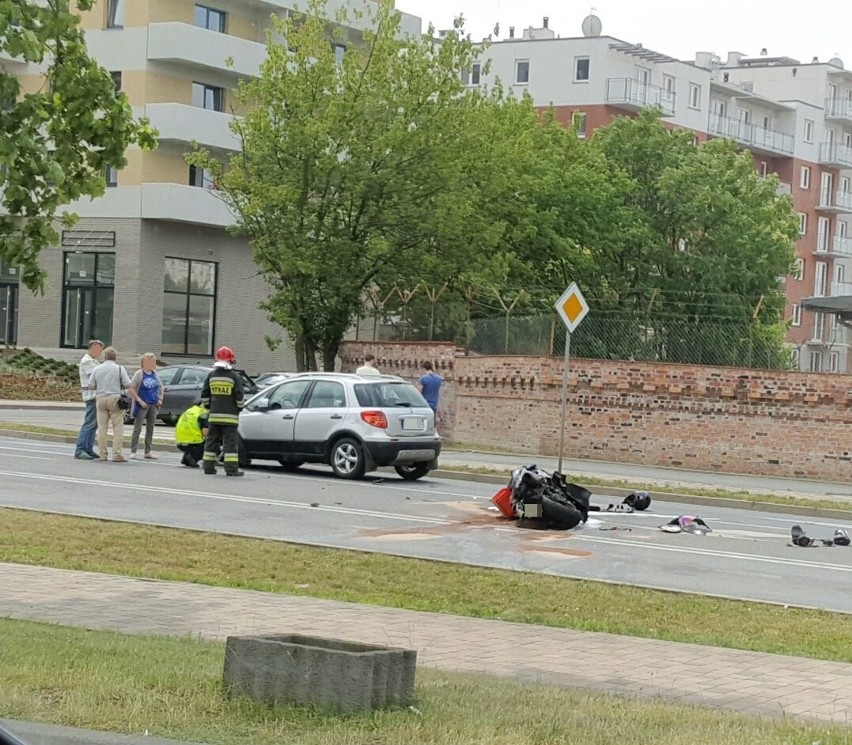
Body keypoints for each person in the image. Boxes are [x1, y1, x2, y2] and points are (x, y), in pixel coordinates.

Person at [201, 345, 245, 477]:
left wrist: (209, 407)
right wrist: (240, 407)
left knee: (211, 441)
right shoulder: (234, 376)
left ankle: (208, 467)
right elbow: (239, 396)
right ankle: (231, 469)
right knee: (230, 444)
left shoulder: (211, 376)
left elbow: (204, 395)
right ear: (231, 360)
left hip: (214, 416)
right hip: (230, 418)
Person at [87, 346, 132, 462]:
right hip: (115, 398)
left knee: (102, 428)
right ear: (115, 357)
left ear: (104, 356)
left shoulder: (97, 369)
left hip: (101, 398)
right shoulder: (120, 369)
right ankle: (117, 454)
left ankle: (103, 454)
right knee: (118, 428)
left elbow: (90, 385)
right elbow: (128, 384)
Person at [128, 352, 164, 460]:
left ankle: (148, 451)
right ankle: (133, 451)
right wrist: (139, 400)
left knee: (150, 428)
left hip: (153, 404)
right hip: (142, 404)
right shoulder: (139, 374)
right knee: (137, 428)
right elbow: (131, 388)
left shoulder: (155, 374)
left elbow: (161, 388)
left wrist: (160, 398)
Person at [74, 339, 103, 460]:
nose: (98, 352)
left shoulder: (94, 361)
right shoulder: (87, 361)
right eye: (96, 349)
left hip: (96, 395)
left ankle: (88, 448)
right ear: (90, 348)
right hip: (91, 396)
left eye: (100, 350)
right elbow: (96, 377)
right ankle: (80, 449)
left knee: (94, 424)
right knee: (89, 423)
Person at [174, 400, 209, 468]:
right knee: (210, 444)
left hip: (180, 441)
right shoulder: (203, 413)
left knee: (193, 445)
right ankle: (192, 457)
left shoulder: (189, 410)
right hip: (193, 442)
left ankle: (186, 459)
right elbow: (206, 432)